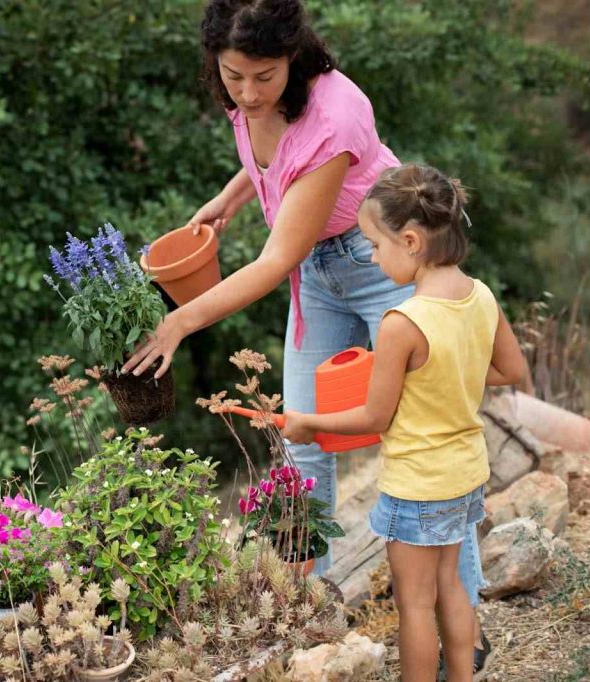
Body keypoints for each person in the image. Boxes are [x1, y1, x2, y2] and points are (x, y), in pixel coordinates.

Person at [120, 0, 495, 675]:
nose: (249, 93)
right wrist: (233, 197)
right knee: (301, 438)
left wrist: (180, 318)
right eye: (233, 76)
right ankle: (305, 613)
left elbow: (275, 259)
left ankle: (460, 630)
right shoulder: (245, 96)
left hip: (384, 258)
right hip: (320, 273)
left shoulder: (334, 111)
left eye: (264, 76)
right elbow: (272, 155)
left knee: (430, 437)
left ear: (293, 56)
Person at [281, 163, 527, 681]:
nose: (371, 256)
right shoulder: (479, 295)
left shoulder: (403, 323)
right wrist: (450, 368)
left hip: (418, 484)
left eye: (374, 245)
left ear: (411, 240)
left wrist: (309, 423)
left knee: (414, 605)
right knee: (452, 589)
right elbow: (512, 369)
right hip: (464, 475)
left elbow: (375, 416)